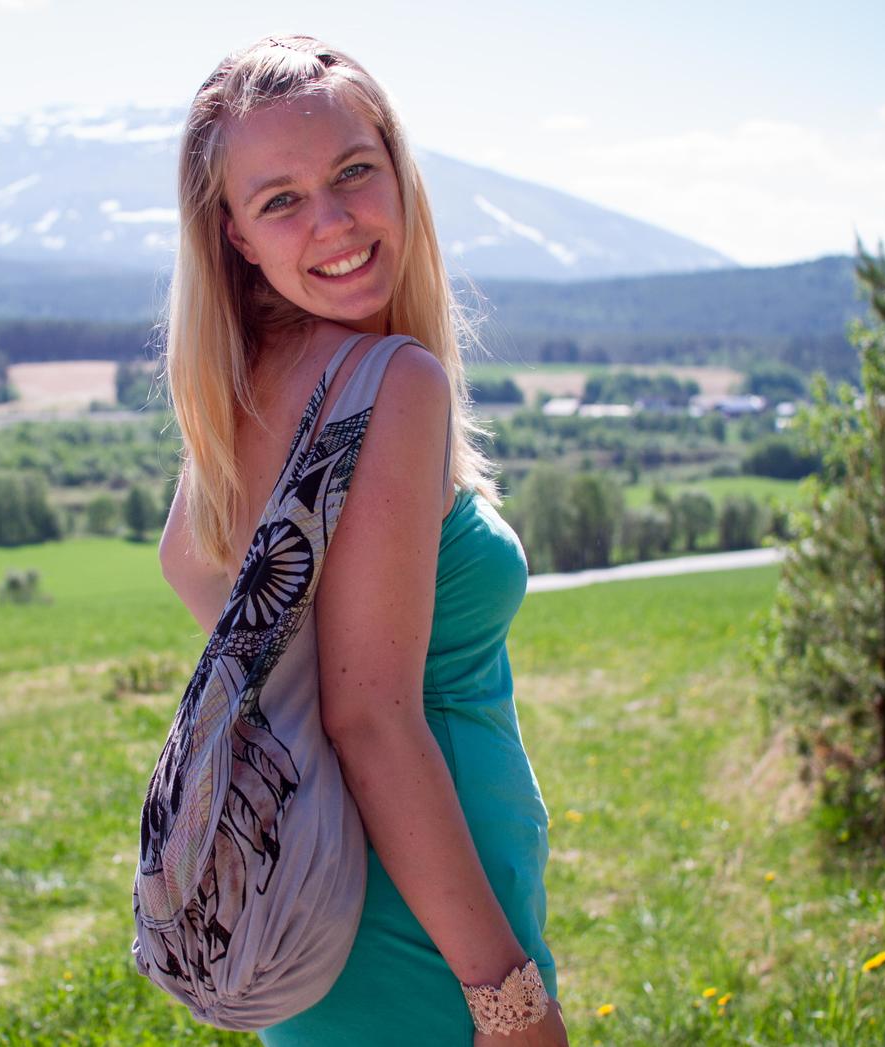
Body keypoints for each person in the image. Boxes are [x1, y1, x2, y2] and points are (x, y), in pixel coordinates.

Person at [156, 35, 567, 1046]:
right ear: (236, 234)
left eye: (352, 172)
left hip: (314, 888)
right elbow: (372, 719)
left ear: (397, 169)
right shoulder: (392, 382)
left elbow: (187, 560)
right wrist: (505, 997)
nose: (334, 222)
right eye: (281, 200)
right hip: (429, 922)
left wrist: (294, 683)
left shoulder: (248, 380)